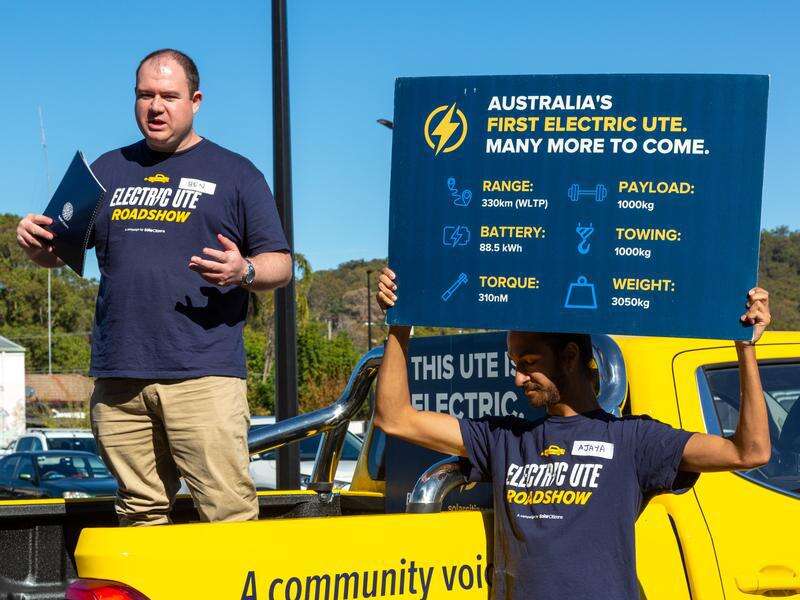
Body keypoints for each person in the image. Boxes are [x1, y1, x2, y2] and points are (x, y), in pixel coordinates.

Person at [374, 266, 771, 600]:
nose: (517, 378)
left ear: (569, 357)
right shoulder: (504, 440)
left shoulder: (634, 440)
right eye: (515, 363)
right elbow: (395, 418)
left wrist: (746, 349)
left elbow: (749, 451)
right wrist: (399, 326)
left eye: (528, 363)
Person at [16, 49, 292, 525]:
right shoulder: (106, 169)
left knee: (226, 513)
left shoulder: (237, 173)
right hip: (120, 377)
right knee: (140, 513)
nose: (156, 106)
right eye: (145, 95)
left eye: (169, 95)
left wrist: (243, 270)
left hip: (203, 376)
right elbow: (57, 252)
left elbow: (281, 264)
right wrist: (33, 243)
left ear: (196, 100)